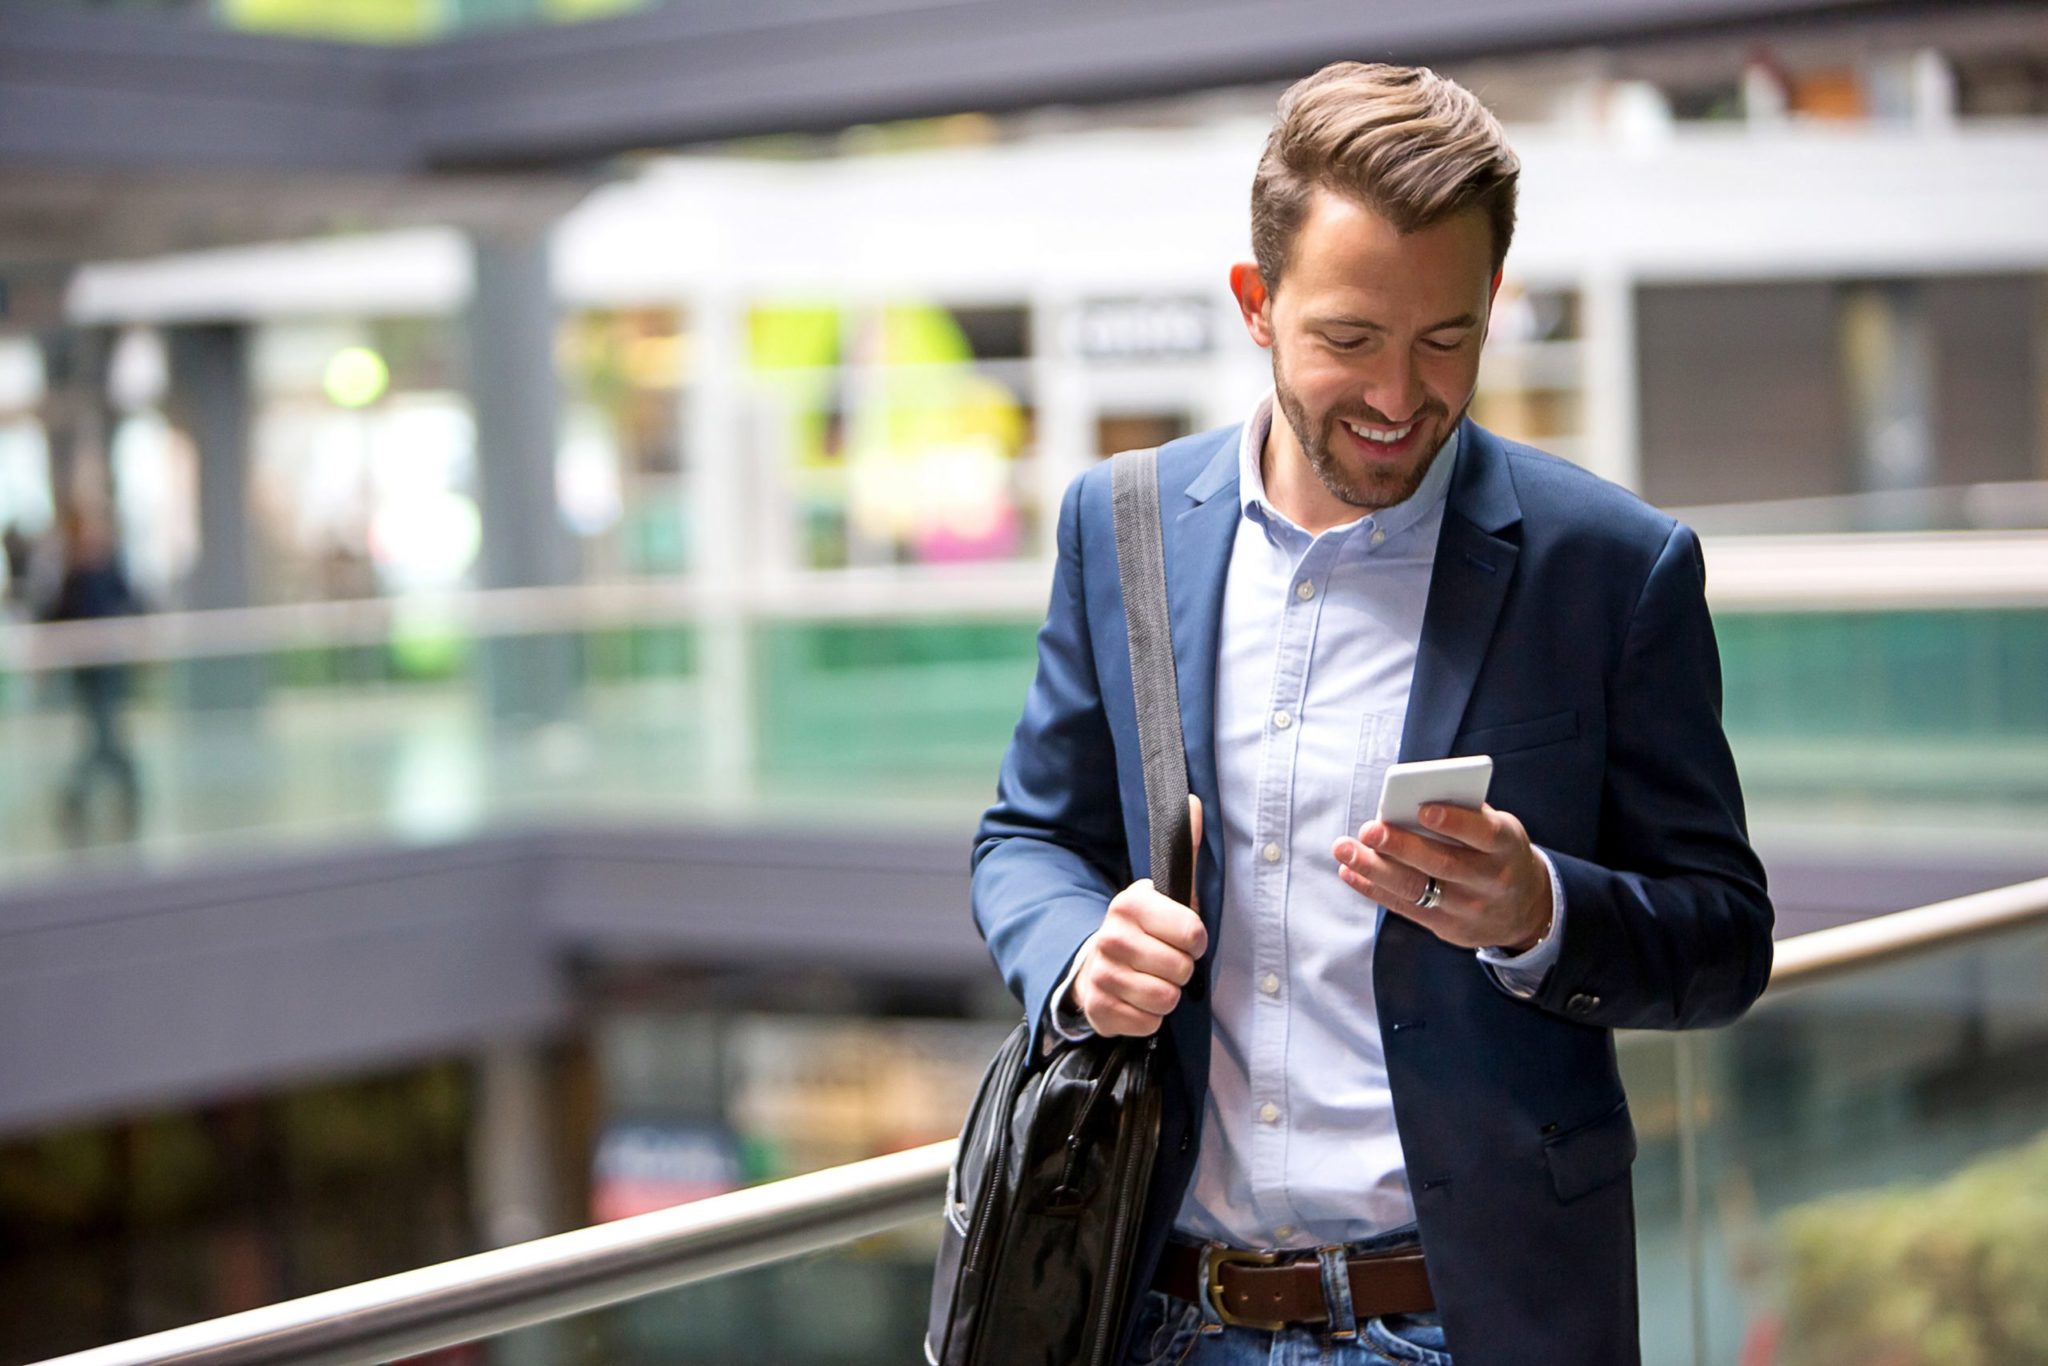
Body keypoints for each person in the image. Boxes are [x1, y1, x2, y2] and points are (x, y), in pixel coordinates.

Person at [970, 63, 1773, 1365]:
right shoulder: (1118, 527)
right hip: (1164, 1315)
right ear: (1256, 302)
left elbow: (1725, 938)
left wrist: (1541, 913)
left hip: (1472, 1325)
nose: (1400, 396)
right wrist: (1078, 957)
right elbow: (1024, 836)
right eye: (1350, 339)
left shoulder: (1613, 569)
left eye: (1444, 338)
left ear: (1491, 304)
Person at [42, 504, 145, 841]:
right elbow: (55, 618)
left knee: (105, 737)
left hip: (111, 668)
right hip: (88, 671)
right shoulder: (73, 578)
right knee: (103, 737)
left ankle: (102, 792)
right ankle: (106, 791)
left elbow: (136, 605)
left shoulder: (110, 572)